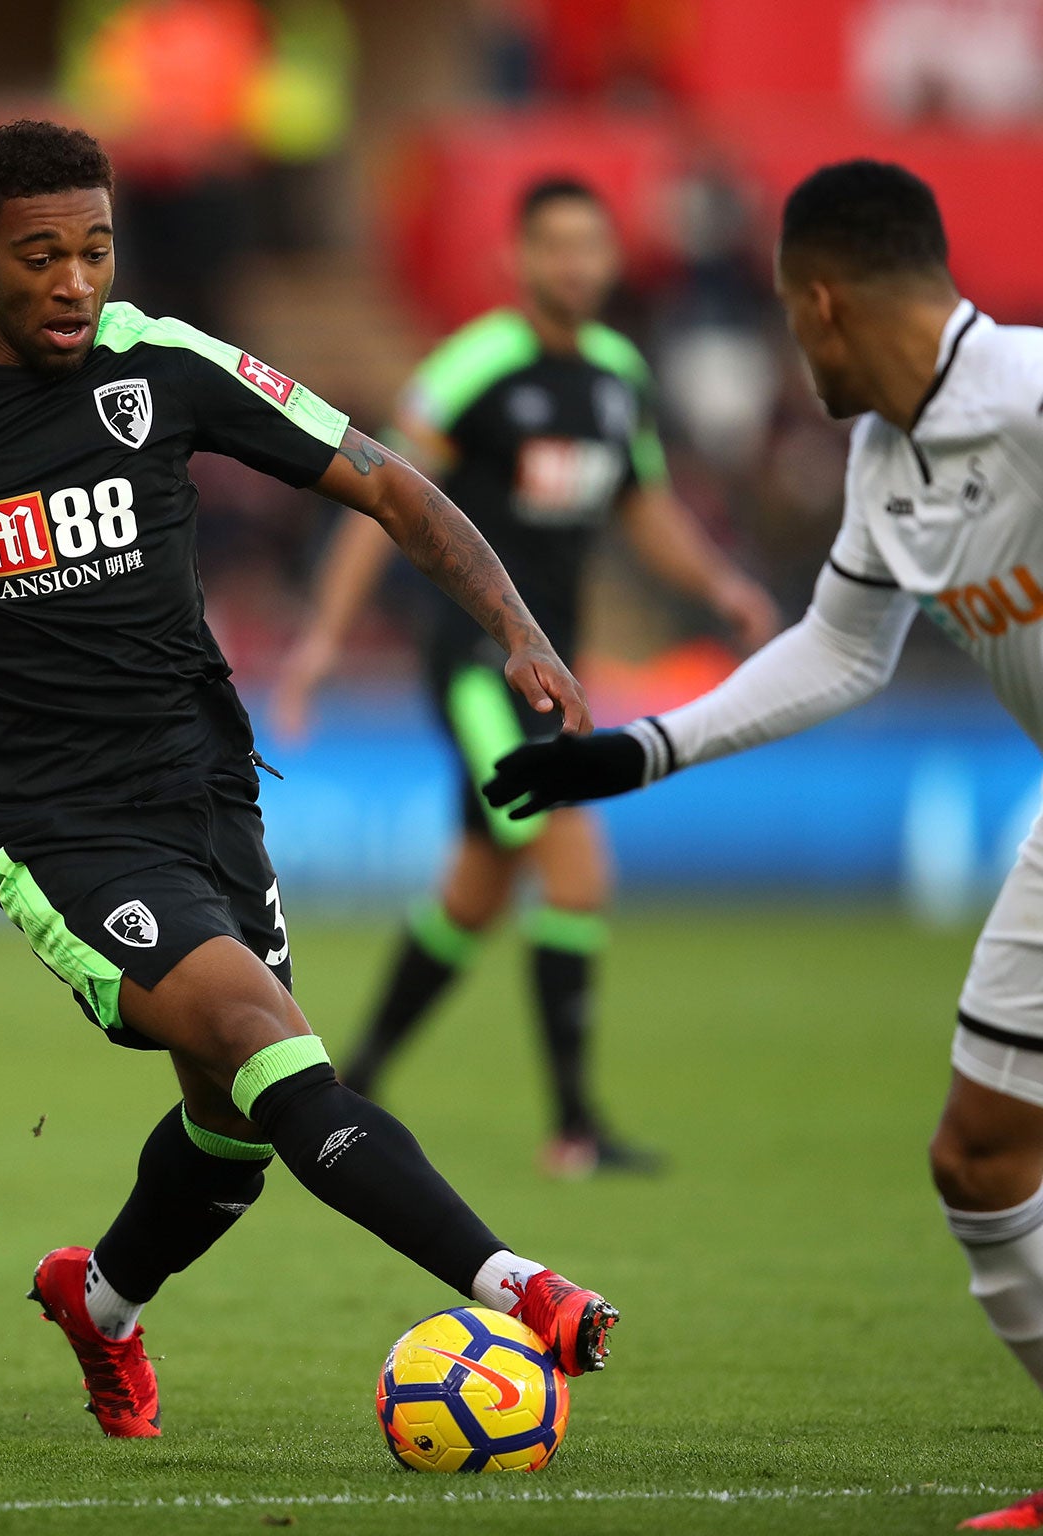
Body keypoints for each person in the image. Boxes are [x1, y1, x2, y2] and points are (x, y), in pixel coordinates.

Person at [0, 119, 617, 1438]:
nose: (73, 283)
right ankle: (522, 1289)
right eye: (40, 256)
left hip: (207, 790)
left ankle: (95, 1302)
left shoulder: (165, 365)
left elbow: (392, 487)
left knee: (232, 1131)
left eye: (95, 251)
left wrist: (520, 630)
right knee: (270, 1047)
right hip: (43, 820)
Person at [479, 160, 1043, 1532]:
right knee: (980, 1157)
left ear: (827, 301)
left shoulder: (1030, 399)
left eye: (795, 323)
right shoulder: (885, 455)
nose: (795, 355)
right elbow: (843, 653)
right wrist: (635, 752)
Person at [273, 176, 778, 1178]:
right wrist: (322, 636)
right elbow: (383, 494)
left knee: (473, 892)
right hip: (472, 662)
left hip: (551, 668)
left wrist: (720, 584)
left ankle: (350, 1082)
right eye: (553, 245)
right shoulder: (472, 368)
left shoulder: (614, 374)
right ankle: (573, 1130)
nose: (574, 264)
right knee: (574, 857)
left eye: (590, 245)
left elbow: (640, 504)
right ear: (517, 259)